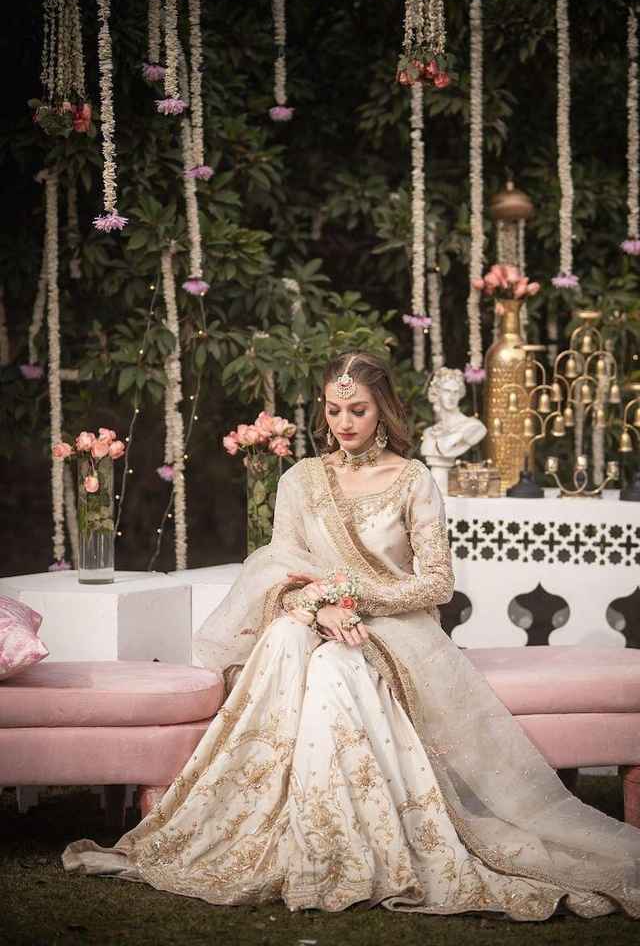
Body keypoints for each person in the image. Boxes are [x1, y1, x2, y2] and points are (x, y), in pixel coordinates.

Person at [63, 351, 640, 920]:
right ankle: (269, 826)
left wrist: (352, 599)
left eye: (358, 410)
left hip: (396, 628)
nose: (343, 422)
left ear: (382, 409)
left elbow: (437, 584)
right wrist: (319, 611)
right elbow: (279, 573)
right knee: (286, 642)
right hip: (318, 619)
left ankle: (346, 848)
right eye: (334, 409)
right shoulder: (301, 480)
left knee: (333, 667)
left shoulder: (412, 480)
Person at [421, 367, 487, 494]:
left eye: (455, 392)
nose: (451, 397)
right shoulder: (429, 432)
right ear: (437, 393)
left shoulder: (472, 426)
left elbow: (445, 447)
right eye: (447, 391)